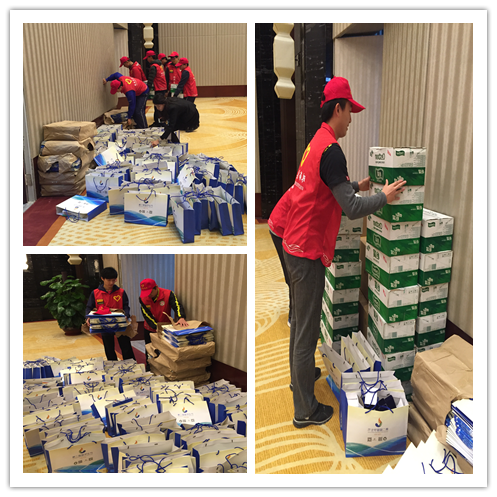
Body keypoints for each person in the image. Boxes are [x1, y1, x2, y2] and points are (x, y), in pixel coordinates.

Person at [268, 76, 406, 429]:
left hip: (294, 241)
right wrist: (383, 197)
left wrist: (356, 185)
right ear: (338, 108)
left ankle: (299, 379)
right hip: (306, 249)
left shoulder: (318, 142)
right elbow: (352, 208)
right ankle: (305, 410)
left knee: (300, 322)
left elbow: (327, 188)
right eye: (350, 112)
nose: (351, 120)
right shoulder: (332, 150)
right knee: (306, 330)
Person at [86, 267, 136, 361]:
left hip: (120, 323)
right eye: (109, 280)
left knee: (126, 347)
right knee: (109, 348)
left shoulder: (121, 292)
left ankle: (131, 364)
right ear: (102, 278)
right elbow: (89, 307)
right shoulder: (95, 293)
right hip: (104, 324)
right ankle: (113, 366)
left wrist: (126, 315)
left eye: (114, 280)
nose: (111, 283)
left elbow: (126, 306)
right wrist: (88, 317)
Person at [139, 278, 188, 347]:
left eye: (150, 292)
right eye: (146, 293)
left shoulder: (168, 294)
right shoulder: (142, 298)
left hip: (165, 327)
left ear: (156, 287)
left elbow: (177, 306)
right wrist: (156, 326)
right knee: (150, 349)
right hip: (150, 327)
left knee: (165, 349)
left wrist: (181, 317)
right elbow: (146, 314)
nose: (148, 295)